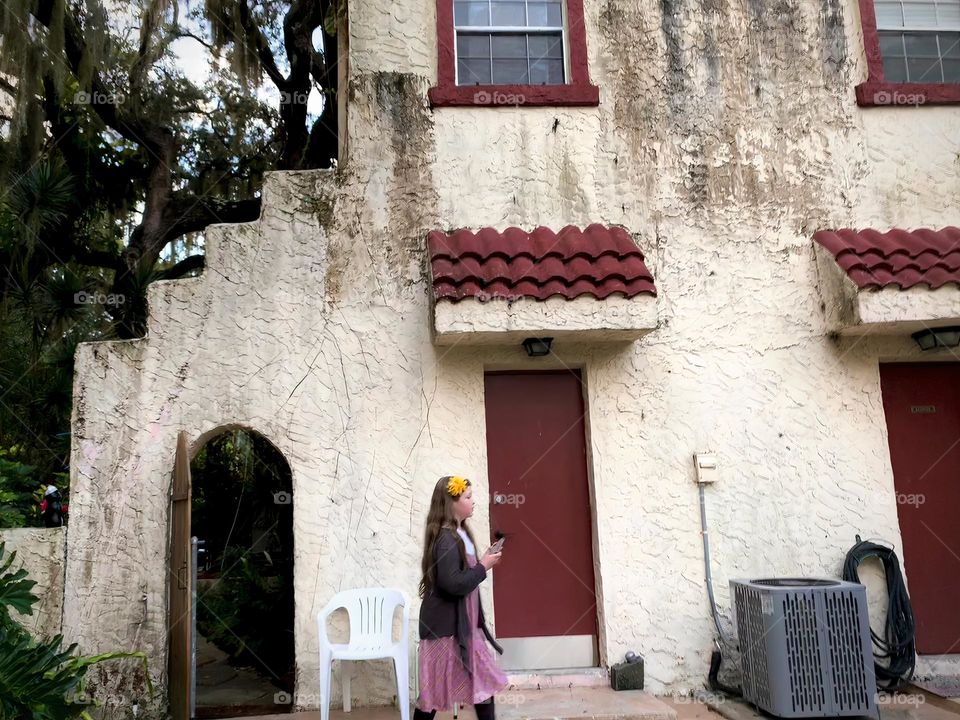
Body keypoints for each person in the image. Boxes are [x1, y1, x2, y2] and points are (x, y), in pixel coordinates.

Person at [415, 475, 506, 720]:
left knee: (483, 685)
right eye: (468, 497)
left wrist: (483, 559)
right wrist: (483, 567)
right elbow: (452, 583)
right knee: (431, 696)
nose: (473, 501)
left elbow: (463, 573)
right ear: (451, 503)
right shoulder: (446, 538)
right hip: (445, 630)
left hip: (465, 628)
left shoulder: (460, 532)